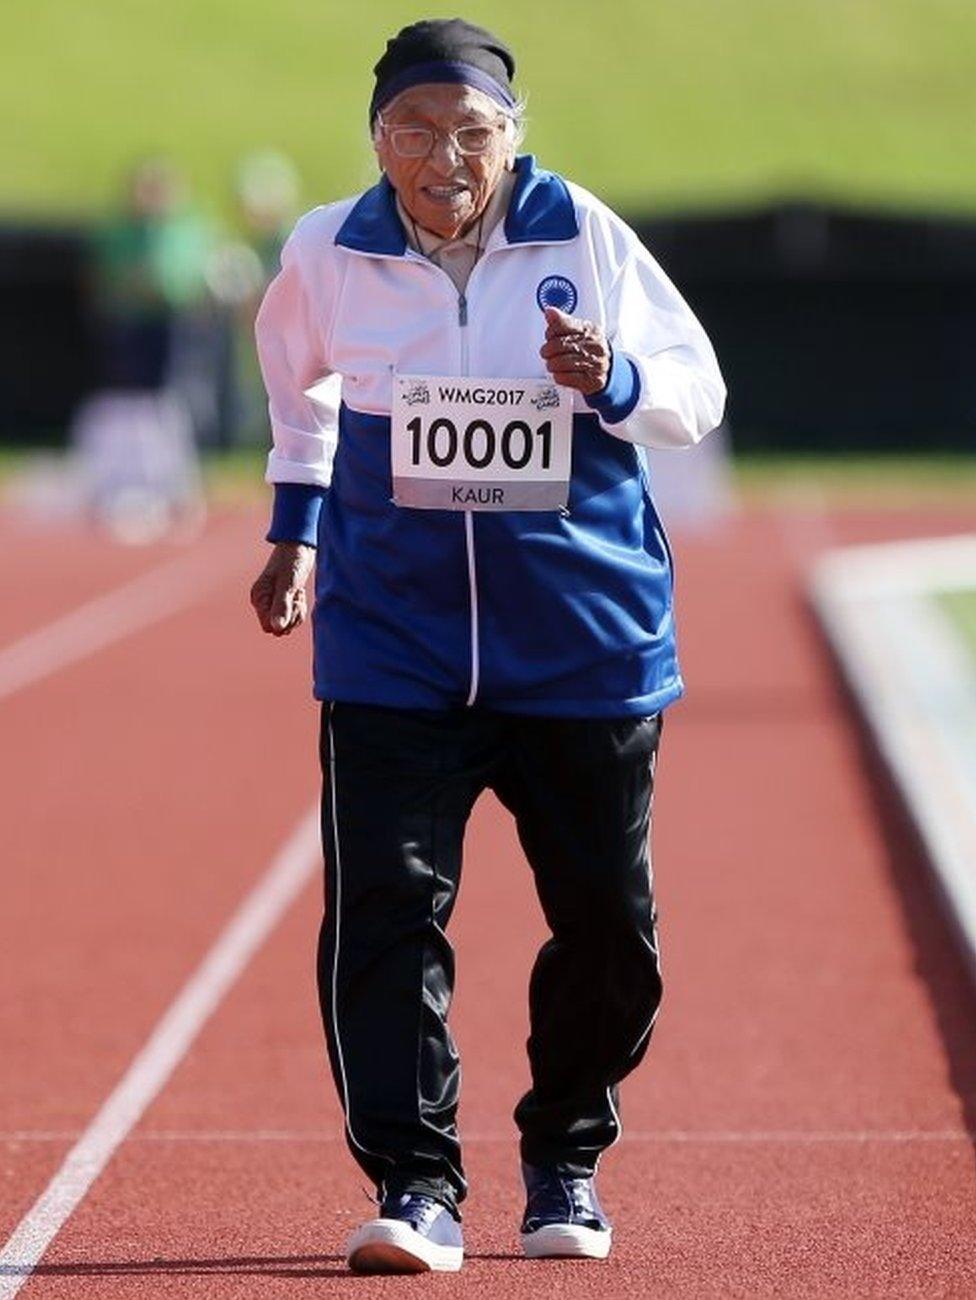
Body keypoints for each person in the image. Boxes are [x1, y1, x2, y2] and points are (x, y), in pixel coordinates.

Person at [250, 17, 725, 1276]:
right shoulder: (328, 252)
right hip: (394, 644)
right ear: (377, 141)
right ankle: (417, 1185)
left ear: (513, 134)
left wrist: (612, 376)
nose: (443, 155)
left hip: (580, 640)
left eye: (470, 130)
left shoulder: (584, 235)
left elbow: (697, 392)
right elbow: (296, 383)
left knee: (608, 925)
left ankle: (564, 1153)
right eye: (414, 130)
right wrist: (295, 530)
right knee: (384, 914)